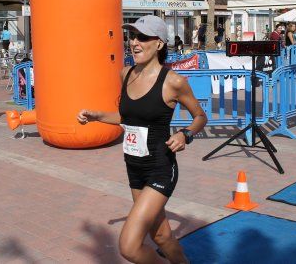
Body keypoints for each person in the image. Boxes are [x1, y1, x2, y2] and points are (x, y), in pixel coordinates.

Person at [77, 15, 207, 264]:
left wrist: (185, 134)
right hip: (134, 167)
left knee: (129, 247)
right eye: (133, 36)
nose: (134, 42)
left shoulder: (173, 81)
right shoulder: (125, 74)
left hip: (160, 167)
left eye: (143, 37)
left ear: (159, 43)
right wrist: (97, 116)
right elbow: (128, 118)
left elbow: (200, 116)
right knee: (161, 236)